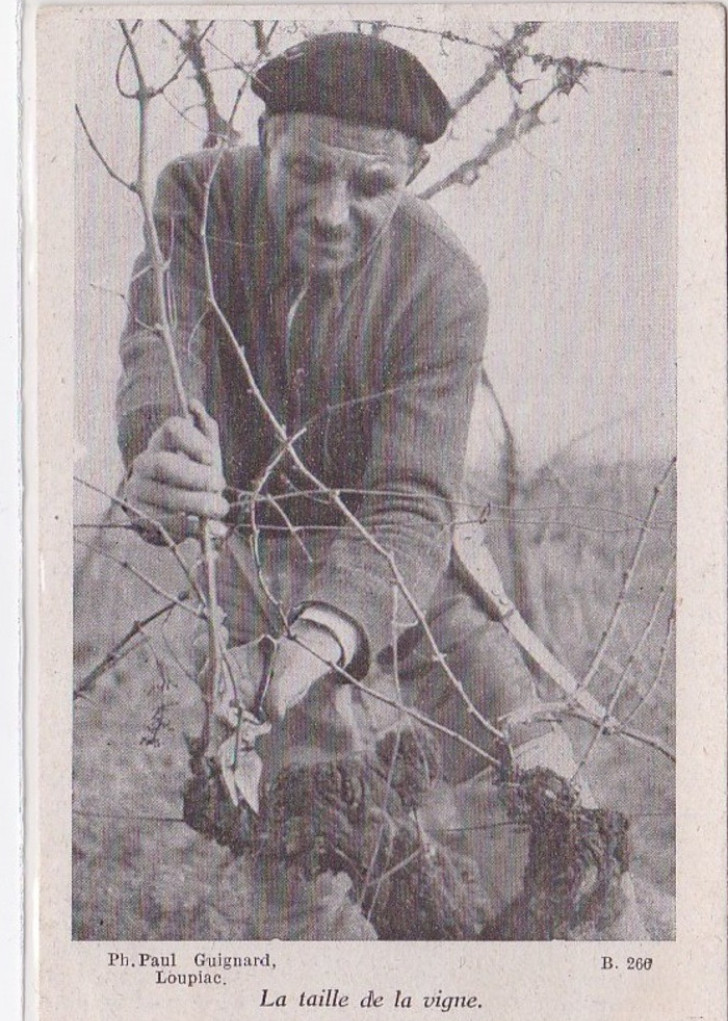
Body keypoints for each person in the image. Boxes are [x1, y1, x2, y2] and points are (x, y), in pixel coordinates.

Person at [119, 32, 578, 790]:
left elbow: (410, 497)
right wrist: (158, 446)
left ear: (415, 172)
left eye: (370, 185)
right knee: (296, 820)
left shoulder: (443, 285)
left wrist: (327, 631)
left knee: (529, 776)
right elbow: (163, 346)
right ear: (266, 139)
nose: (332, 213)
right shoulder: (196, 198)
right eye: (306, 170)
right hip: (248, 547)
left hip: (400, 546)